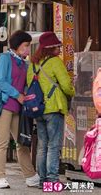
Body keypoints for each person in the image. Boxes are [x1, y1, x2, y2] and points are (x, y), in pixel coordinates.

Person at [27, 31, 75, 186]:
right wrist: (75, 91)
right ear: (50, 48)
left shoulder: (33, 64)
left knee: (42, 145)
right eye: (57, 47)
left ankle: (42, 180)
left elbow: (29, 85)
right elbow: (67, 87)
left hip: (38, 109)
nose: (59, 50)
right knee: (54, 145)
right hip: (53, 109)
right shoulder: (56, 62)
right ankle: (53, 180)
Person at [0, 30, 39, 189]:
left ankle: (30, 176)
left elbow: (25, 82)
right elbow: (0, 82)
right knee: (2, 143)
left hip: (18, 107)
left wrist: (25, 91)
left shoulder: (24, 63)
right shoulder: (4, 59)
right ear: (17, 45)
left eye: (29, 46)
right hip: (4, 105)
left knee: (22, 142)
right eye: (26, 46)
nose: (28, 49)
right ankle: (0, 177)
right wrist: (17, 94)